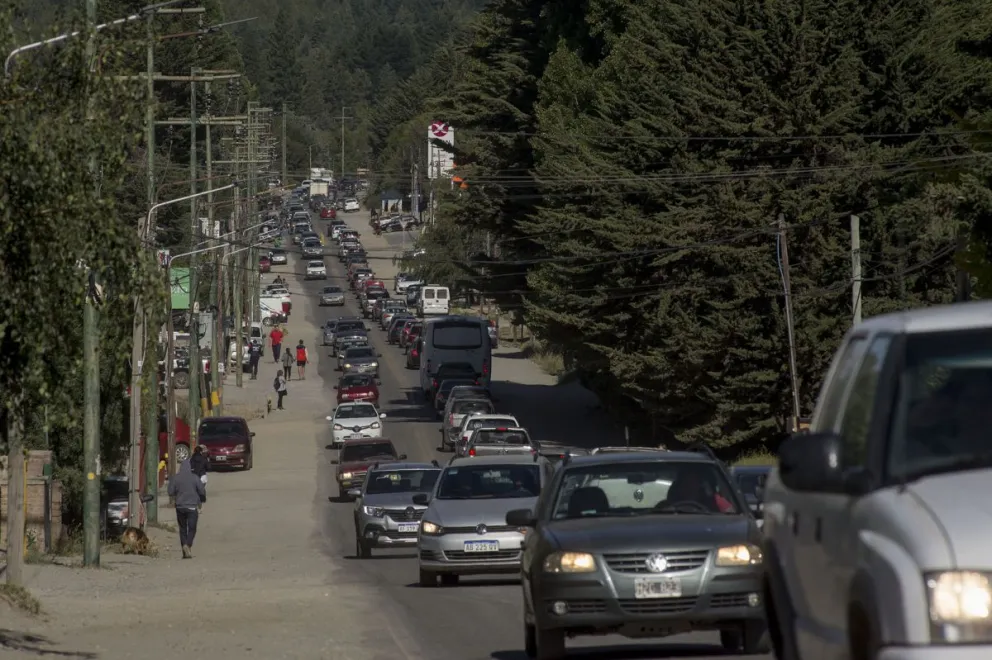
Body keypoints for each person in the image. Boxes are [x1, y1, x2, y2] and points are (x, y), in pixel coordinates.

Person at [167, 458, 205, 559]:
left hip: (180, 507)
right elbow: (201, 490)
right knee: (192, 528)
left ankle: (184, 549)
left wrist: (177, 494)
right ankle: (188, 545)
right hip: (192, 507)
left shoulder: (176, 478)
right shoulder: (194, 478)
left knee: (182, 528)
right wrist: (200, 499)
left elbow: (170, 492)